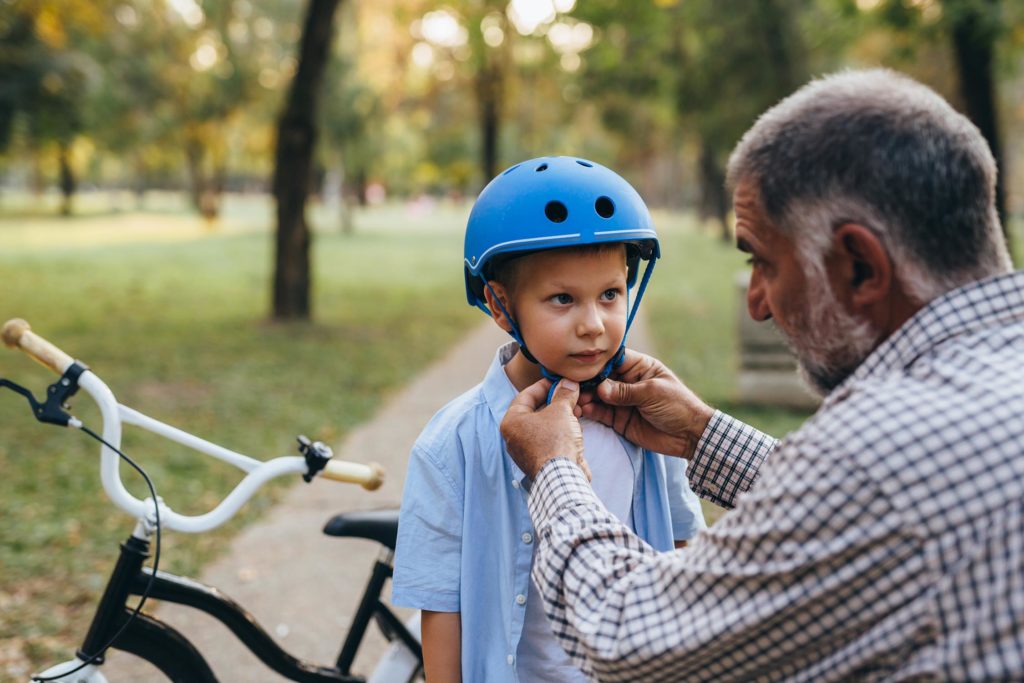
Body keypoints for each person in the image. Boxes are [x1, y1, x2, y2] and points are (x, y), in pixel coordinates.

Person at [500, 68, 1024, 681]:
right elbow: (883, 511)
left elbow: (629, 636)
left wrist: (555, 470)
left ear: (859, 265)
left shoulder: (879, 445)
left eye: (764, 262)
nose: (757, 303)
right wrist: (703, 435)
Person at [392, 156, 707, 681]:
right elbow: (441, 603)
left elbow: (682, 551)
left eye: (610, 294)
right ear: (499, 305)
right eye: (563, 299)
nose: (593, 325)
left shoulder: (650, 425)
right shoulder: (452, 443)